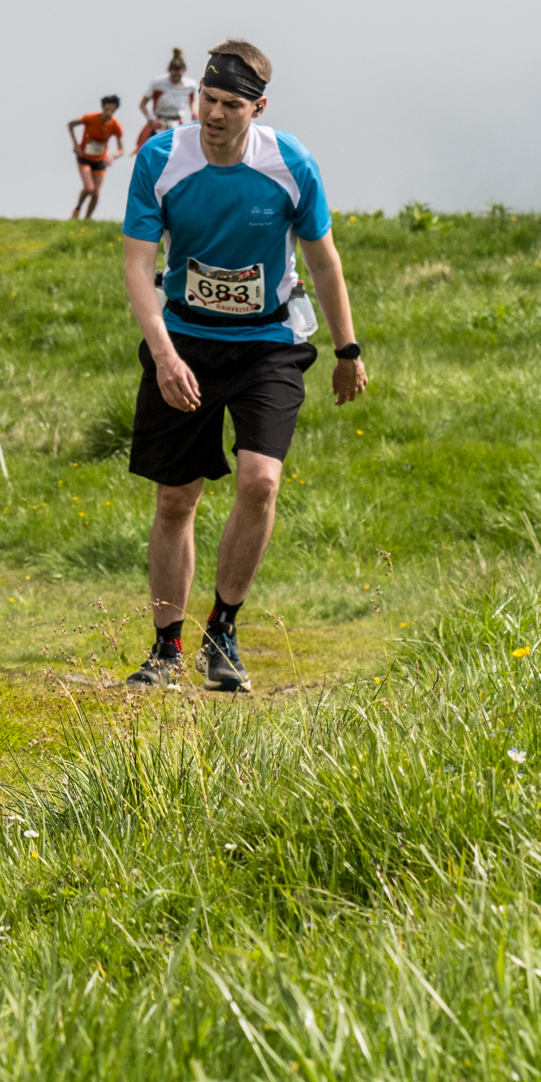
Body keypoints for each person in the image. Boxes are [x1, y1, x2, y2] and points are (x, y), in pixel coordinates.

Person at [115, 40, 366, 695]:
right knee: (177, 498)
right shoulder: (161, 158)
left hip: (268, 341)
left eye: (231, 104)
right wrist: (165, 356)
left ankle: (222, 630)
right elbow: (138, 266)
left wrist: (348, 350)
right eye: (208, 99)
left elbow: (323, 260)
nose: (214, 115)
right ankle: (166, 649)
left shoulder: (290, 164)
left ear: (258, 107)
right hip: (185, 340)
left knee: (260, 481)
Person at [68, 95, 130, 221]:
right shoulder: (90, 118)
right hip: (85, 158)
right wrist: (75, 144)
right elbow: (71, 124)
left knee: (95, 193)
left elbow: (121, 150)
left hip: (100, 161)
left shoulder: (115, 125)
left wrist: (112, 156)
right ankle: (77, 209)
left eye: (112, 110)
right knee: (89, 188)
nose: (109, 113)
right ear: (102, 108)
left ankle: (87, 220)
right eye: (106, 109)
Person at [138, 47, 191, 148]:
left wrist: (194, 112)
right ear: (169, 72)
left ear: (184, 72)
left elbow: (193, 101)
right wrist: (151, 120)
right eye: (173, 76)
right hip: (158, 125)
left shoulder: (190, 85)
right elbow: (142, 104)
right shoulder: (158, 83)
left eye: (179, 76)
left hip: (177, 125)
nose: (176, 79)